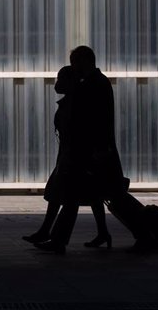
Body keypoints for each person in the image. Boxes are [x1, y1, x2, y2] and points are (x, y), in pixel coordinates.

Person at [35, 46, 123, 254]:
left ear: (85, 60)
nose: (74, 66)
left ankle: (57, 240)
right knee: (89, 195)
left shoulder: (93, 84)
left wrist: (93, 151)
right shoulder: (93, 83)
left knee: (74, 196)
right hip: (87, 152)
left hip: (88, 152)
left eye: (75, 61)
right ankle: (98, 234)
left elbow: (92, 121)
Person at [23, 66, 111, 247]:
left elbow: (78, 133)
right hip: (70, 155)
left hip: (73, 157)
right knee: (89, 194)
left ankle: (51, 235)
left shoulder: (76, 103)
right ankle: (101, 233)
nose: (57, 83)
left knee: (62, 194)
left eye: (60, 79)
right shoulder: (74, 101)